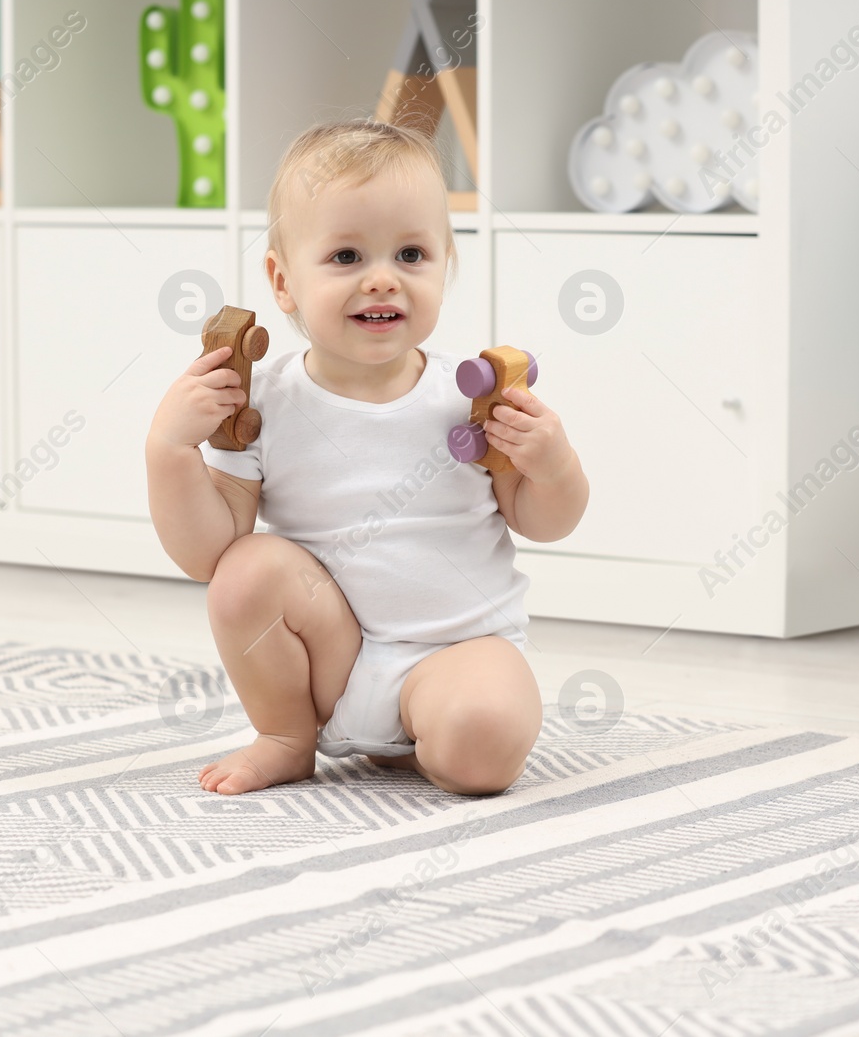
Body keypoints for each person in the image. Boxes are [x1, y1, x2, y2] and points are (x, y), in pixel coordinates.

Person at [145, 118, 589, 796]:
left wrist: (552, 464)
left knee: (483, 746)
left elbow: (544, 520)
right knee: (244, 571)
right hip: (334, 660)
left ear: (447, 264)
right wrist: (170, 447)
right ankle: (287, 735)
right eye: (347, 257)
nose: (382, 280)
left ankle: (429, 735)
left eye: (410, 255)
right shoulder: (259, 404)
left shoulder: (467, 396)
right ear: (283, 281)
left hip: (459, 649)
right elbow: (207, 552)